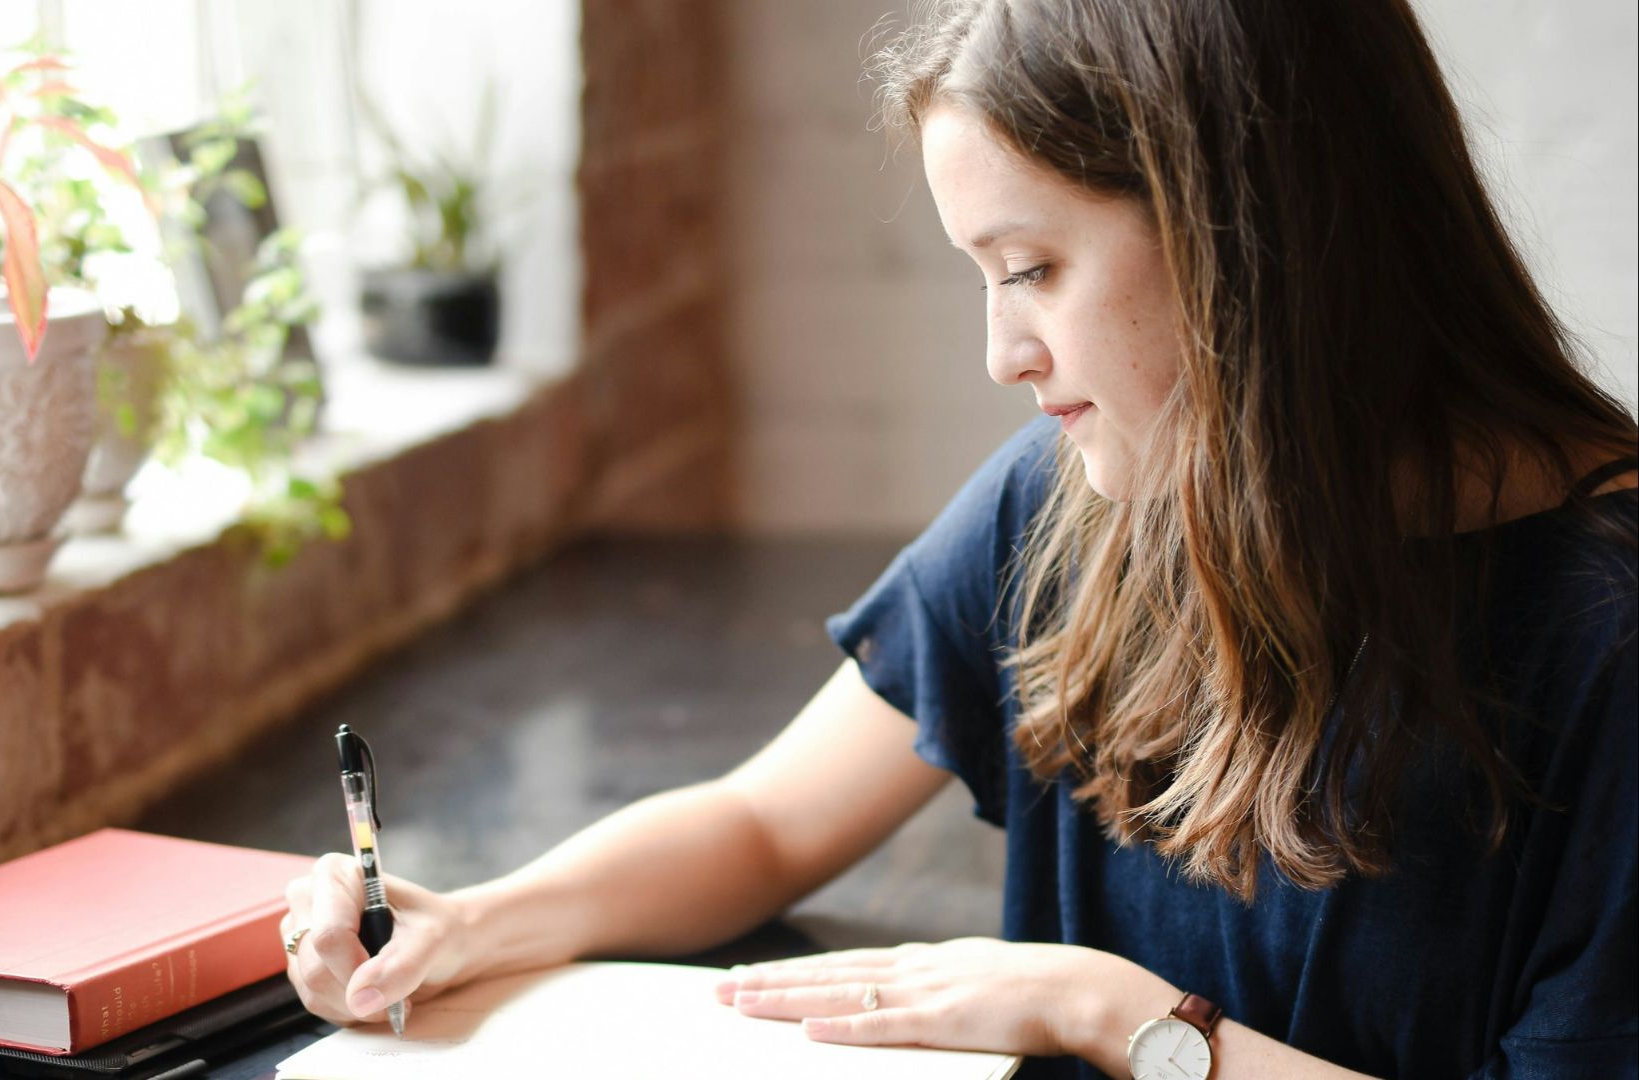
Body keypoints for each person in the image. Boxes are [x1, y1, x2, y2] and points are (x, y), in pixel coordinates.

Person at [281, 1, 1637, 1075]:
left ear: (1254, 231)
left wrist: (1117, 1016)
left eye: (1035, 268)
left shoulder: (1609, 636)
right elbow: (764, 822)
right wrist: (472, 922)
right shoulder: (1076, 503)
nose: (1003, 353)